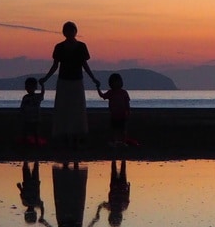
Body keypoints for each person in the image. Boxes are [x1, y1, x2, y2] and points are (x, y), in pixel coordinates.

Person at [40, 21, 99, 151]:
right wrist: (45, 78)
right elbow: (55, 66)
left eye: (71, 30)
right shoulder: (59, 47)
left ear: (75, 32)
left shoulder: (82, 46)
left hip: (77, 81)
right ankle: (65, 137)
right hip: (63, 81)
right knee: (63, 109)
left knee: (77, 110)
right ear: (64, 33)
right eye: (66, 30)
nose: (69, 33)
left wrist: (93, 78)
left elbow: (85, 65)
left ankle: (76, 137)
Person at [97, 72, 136, 147]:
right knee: (114, 130)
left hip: (122, 115)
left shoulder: (124, 92)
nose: (117, 83)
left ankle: (123, 142)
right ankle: (114, 141)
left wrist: (128, 112)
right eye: (115, 82)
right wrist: (98, 88)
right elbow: (102, 95)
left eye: (118, 81)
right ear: (111, 83)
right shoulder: (110, 92)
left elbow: (127, 103)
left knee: (123, 130)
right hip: (114, 115)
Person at [19, 77, 45, 143]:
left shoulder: (37, 96)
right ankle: (26, 141)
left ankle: (36, 142)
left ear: (35, 88)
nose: (28, 89)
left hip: (36, 119)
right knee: (25, 131)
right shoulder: (25, 97)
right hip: (27, 118)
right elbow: (22, 107)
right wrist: (22, 115)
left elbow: (42, 93)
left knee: (35, 132)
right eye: (27, 87)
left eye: (30, 87)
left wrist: (42, 85)